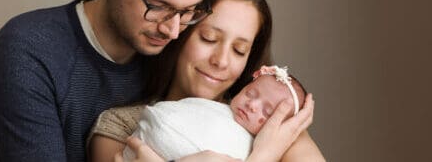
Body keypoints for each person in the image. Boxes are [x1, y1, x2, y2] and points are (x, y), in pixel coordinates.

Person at [0, 0, 213, 161]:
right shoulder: (26, 53)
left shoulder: (175, 55)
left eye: (190, 11)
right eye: (157, 6)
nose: (172, 31)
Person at [88, 0, 324, 162]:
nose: (221, 61)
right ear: (180, 29)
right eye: (209, 38)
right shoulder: (121, 125)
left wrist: (267, 150)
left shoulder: (274, 130)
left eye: (239, 50)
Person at [121, 65, 308, 161]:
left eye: (267, 112)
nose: (252, 105)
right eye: (251, 94)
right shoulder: (211, 108)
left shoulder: (275, 146)